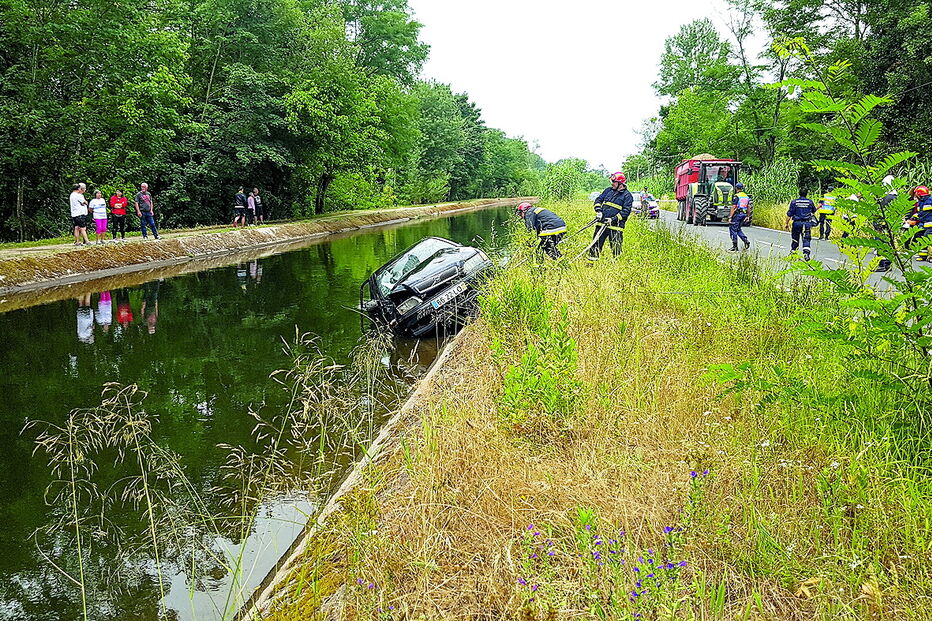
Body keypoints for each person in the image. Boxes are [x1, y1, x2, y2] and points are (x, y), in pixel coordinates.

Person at [588, 172, 633, 261]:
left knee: (616, 249)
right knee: (595, 245)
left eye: (614, 182)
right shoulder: (608, 191)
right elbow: (598, 200)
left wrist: (613, 219)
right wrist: (598, 211)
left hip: (615, 227)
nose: (612, 183)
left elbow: (626, 212)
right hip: (601, 224)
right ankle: (591, 264)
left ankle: (617, 266)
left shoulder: (627, 196)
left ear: (620, 183)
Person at [785, 189, 817, 259]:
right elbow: (813, 211)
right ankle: (806, 254)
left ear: (799, 193)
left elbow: (789, 214)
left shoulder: (794, 202)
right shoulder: (810, 202)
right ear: (806, 194)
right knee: (806, 239)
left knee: (795, 238)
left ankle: (793, 254)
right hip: (806, 223)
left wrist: (786, 223)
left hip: (797, 223)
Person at [728, 182, 752, 251]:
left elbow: (733, 207)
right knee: (738, 229)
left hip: (737, 215)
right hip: (744, 215)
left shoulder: (736, 196)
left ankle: (735, 246)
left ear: (736, 188)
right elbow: (749, 207)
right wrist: (748, 216)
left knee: (733, 229)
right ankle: (745, 241)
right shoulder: (746, 196)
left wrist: (730, 217)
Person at [913, 185, 932, 261]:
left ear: (919, 194)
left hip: (930, 224)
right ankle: (923, 255)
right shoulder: (920, 203)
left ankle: (931, 256)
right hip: (922, 224)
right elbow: (920, 213)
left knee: (928, 238)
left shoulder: (930, 200)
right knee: (920, 238)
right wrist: (914, 217)